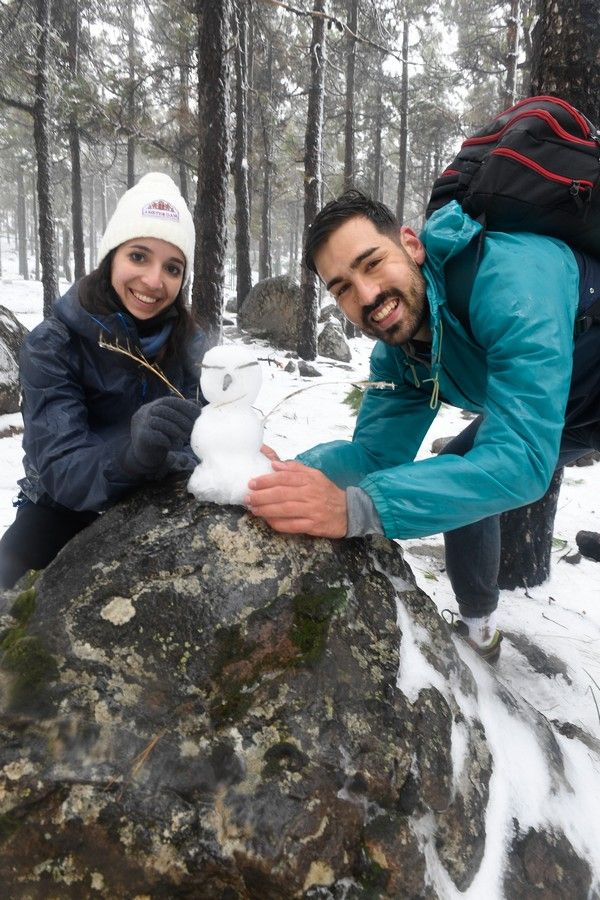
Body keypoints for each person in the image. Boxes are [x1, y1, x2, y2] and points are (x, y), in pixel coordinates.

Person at [245, 190, 600, 661]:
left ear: (411, 244)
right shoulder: (398, 352)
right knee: (462, 465)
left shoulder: (510, 280)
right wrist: (286, 476)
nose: (367, 296)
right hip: (569, 408)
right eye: (342, 287)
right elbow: (374, 456)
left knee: (489, 465)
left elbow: (519, 463)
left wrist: (354, 509)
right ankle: (480, 624)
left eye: (372, 263)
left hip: (574, 399)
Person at [0, 173, 207, 590]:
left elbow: (205, 445)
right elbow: (60, 468)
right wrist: (132, 454)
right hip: (60, 508)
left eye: (172, 267)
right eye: (139, 256)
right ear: (111, 256)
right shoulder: (54, 344)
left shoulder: (191, 345)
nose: (153, 280)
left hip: (161, 502)